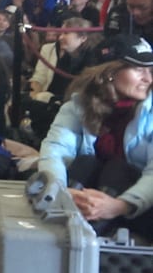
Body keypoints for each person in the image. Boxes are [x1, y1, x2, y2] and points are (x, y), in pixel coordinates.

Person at [39, 35, 153, 238]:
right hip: (87, 197)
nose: (148, 78)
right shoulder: (79, 106)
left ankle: (83, 236)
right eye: (139, 70)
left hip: (137, 206)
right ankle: (70, 229)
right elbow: (55, 149)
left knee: (118, 167)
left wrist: (120, 206)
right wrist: (62, 191)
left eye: (150, 70)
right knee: (85, 162)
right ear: (110, 73)